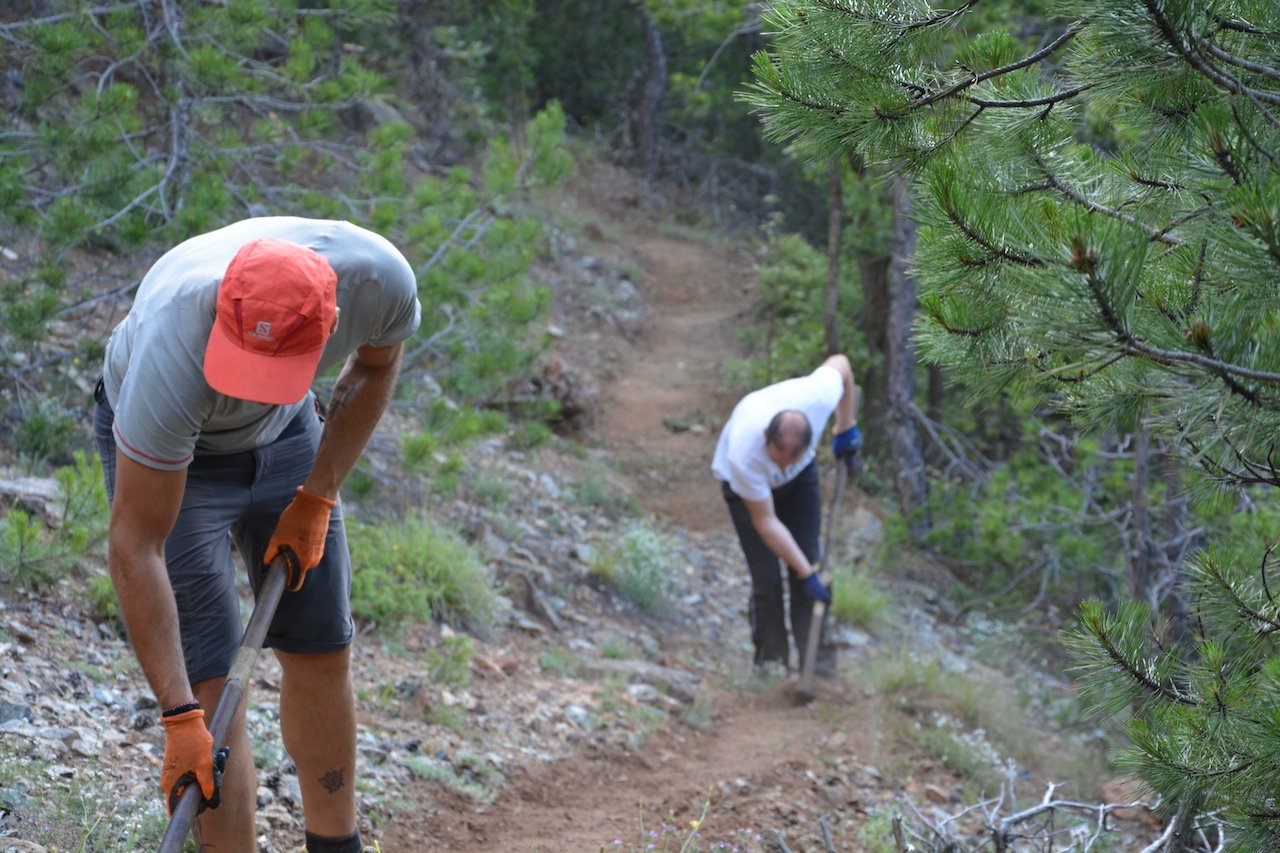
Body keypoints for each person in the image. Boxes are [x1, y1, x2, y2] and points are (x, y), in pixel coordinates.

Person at [92, 217, 421, 853]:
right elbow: (137, 545)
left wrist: (319, 494)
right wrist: (178, 714)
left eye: (264, 372)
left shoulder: (379, 281)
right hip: (181, 459)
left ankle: (335, 844)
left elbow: (375, 368)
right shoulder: (172, 349)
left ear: (329, 323)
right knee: (213, 690)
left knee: (322, 647)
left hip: (290, 434)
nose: (243, 389)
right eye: (241, 365)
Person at [711, 354, 861, 675]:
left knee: (811, 563)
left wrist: (845, 427)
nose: (782, 467)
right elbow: (766, 523)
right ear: (767, 438)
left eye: (791, 459)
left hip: (802, 483)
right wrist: (805, 572)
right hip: (745, 493)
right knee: (767, 579)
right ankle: (771, 666)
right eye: (778, 459)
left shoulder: (818, 397)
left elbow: (842, 365)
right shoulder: (744, 453)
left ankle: (817, 670)